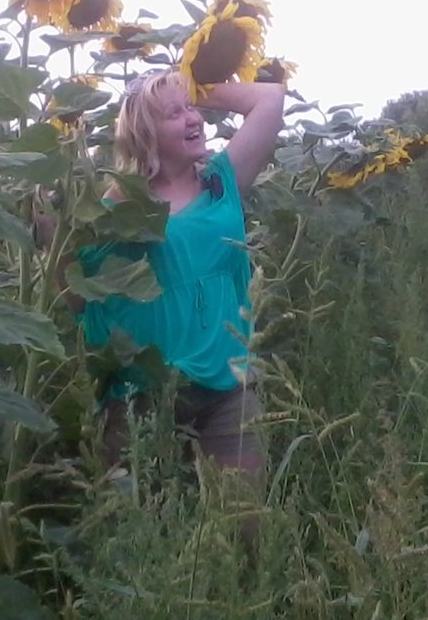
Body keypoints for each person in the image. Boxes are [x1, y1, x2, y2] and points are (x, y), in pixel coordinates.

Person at [41, 70, 285, 492]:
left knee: (243, 515)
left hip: (228, 386)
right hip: (142, 394)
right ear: (144, 132)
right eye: (175, 114)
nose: (194, 119)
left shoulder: (220, 182)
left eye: (192, 108)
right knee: (141, 520)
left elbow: (271, 98)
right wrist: (46, 225)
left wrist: (194, 81)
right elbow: (80, 297)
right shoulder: (113, 207)